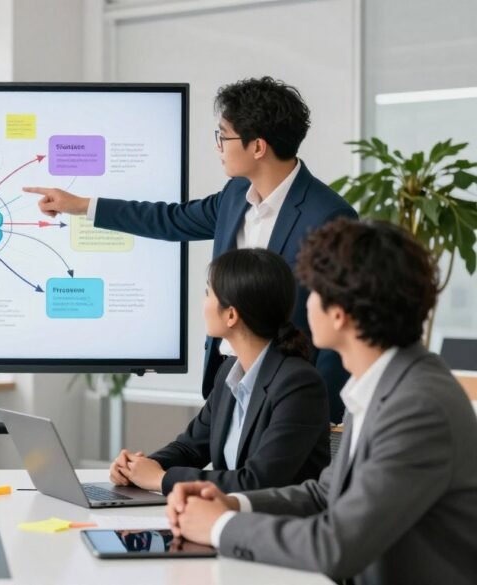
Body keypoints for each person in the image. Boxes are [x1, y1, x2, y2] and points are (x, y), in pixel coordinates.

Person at [25, 77, 356, 423]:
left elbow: (341, 322)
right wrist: (81, 206)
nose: (218, 147)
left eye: (222, 136)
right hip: (227, 376)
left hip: (290, 390)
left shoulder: (329, 215)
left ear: (257, 147)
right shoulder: (234, 195)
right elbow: (170, 220)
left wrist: (322, 413)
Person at [166, 218, 477, 585]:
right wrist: (232, 503)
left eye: (312, 291)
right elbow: (325, 493)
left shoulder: (419, 406)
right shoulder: (383, 385)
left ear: (339, 314)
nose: (304, 303)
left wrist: (220, 526)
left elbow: (336, 546)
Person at [109, 248, 329, 496]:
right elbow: (190, 449)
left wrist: (161, 479)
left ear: (231, 314)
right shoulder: (228, 373)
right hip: (229, 522)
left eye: (207, 294)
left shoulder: (298, 384)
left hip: (281, 528)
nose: (203, 304)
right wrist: (137, 469)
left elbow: (257, 482)